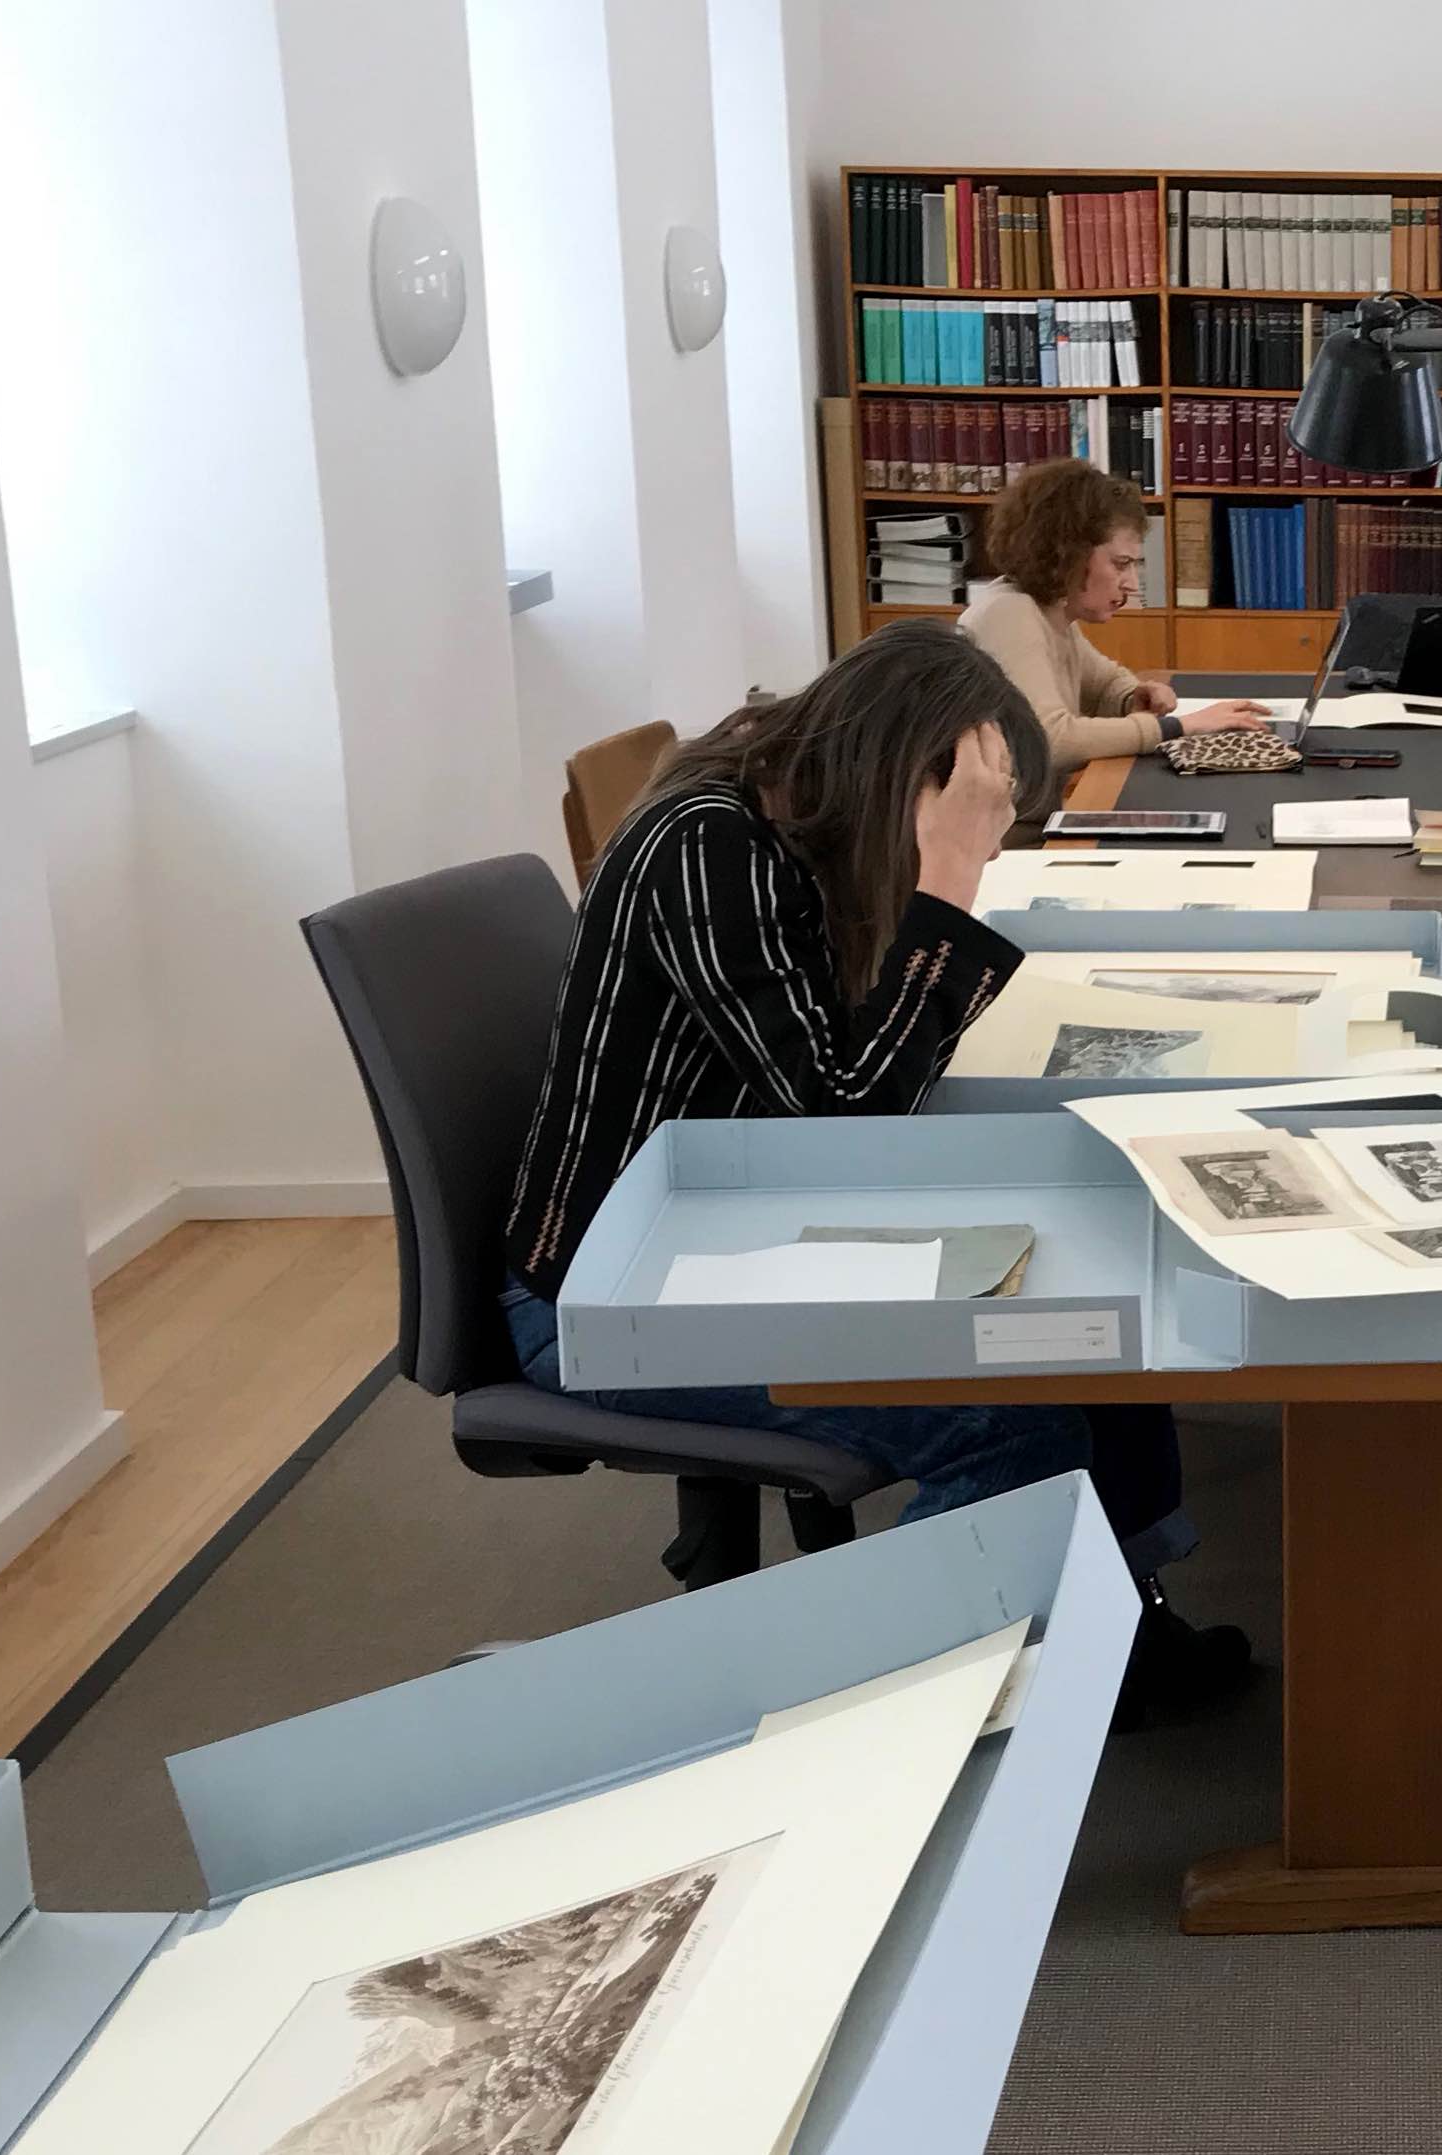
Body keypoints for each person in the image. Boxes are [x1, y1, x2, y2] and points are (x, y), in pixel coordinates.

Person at [496, 621, 1256, 1727]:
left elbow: (843, 1072)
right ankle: (855, 1712)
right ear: (906, 773)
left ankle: (1117, 1627)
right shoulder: (707, 848)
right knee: (1014, 1424)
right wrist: (946, 886)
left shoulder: (793, 819)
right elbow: (844, 1112)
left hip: (745, 1228)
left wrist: (933, 893)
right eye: (970, 811)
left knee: (1097, 1329)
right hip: (609, 1296)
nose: (973, 841)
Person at [960, 458, 1272, 772]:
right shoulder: (1009, 614)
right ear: (1067, 554)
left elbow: (1103, 684)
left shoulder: (1052, 609)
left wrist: (1132, 696)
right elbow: (1049, 740)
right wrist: (1177, 727)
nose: (1132, 584)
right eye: (1121, 564)